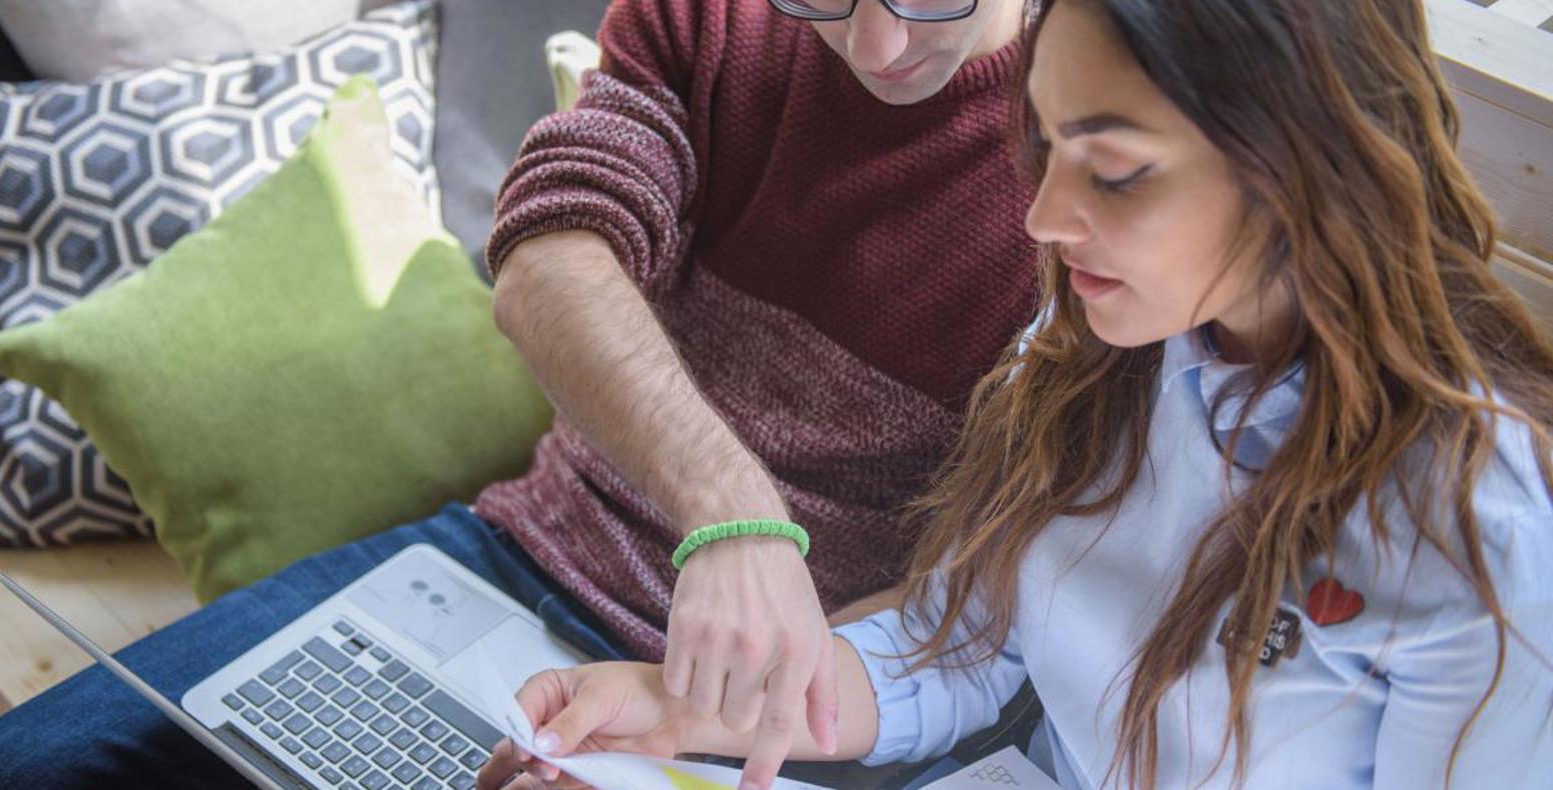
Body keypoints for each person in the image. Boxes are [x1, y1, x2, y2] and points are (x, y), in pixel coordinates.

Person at [0, 1, 1039, 788]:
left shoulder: (1091, 164)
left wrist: (690, 705)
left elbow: (985, 614)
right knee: (19, 767)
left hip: (771, 712)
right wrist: (732, 512)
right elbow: (546, 258)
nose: (878, 44)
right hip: (514, 562)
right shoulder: (717, 19)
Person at [473, 0, 1553, 788]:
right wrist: (665, 710)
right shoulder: (1089, 345)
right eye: (1043, 142)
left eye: (1115, 171)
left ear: (1301, 171)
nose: (1040, 216)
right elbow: (961, 645)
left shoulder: (1466, 535)